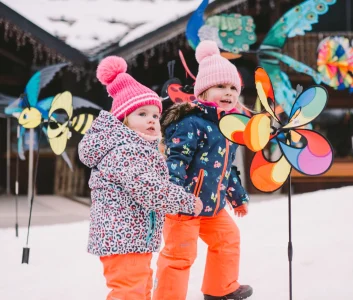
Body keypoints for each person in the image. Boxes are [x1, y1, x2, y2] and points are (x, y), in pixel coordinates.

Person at [78, 55, 203, 300]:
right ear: (123, 120)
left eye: (156, 116)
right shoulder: (125, 151)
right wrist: (185, 201)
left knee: (140, 288)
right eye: (142, 114)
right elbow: (149, 188)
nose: (151, 120)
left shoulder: (137, 148)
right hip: (123, 240)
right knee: (129, 292)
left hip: (133, 240)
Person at [153, 40, 253, 300]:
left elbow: (225, 167)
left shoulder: (228, 127)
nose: (229, 92)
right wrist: (174, 194)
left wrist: (237, 196)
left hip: (213, 206)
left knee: (228, 239)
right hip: (185, 206)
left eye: (233, 87)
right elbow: (176, 161)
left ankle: (220, 289)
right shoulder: (191, 123)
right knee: (180, 255)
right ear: (203, 93)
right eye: (221, 86)